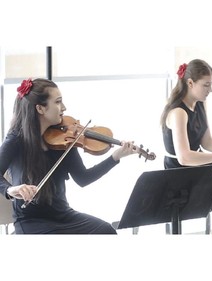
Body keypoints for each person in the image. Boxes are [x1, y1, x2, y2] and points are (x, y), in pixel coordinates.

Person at [0, 78, 141, 234]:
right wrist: (10, 189)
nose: (64, 107)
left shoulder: (65, 138)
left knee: (106, 231)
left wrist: (115, 157)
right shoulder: (16, 139)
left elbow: (83, 178)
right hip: (31, 222)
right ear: (40, 109)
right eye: (58, 102)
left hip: (63, 215)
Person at [161, 59, 212, 169]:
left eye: (211, 84)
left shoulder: (201, 103)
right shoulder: (178, 112)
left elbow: (206, 141)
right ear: (190, 83)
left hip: (196, 166)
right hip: (178, 173)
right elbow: (185, 158)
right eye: (206, 85)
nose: (210, 90)